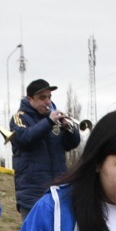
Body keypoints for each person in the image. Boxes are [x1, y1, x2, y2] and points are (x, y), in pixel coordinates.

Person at [9, 78, 80, 216]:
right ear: (30, 99)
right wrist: (49, 122)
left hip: (58, 190)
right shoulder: (19, 118)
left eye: (49, 97)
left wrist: (69, 129)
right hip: (32, 194)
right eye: (42, 98)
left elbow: (72, 144)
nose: (47, 102)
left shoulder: (53, 120)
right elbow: (25, 138)